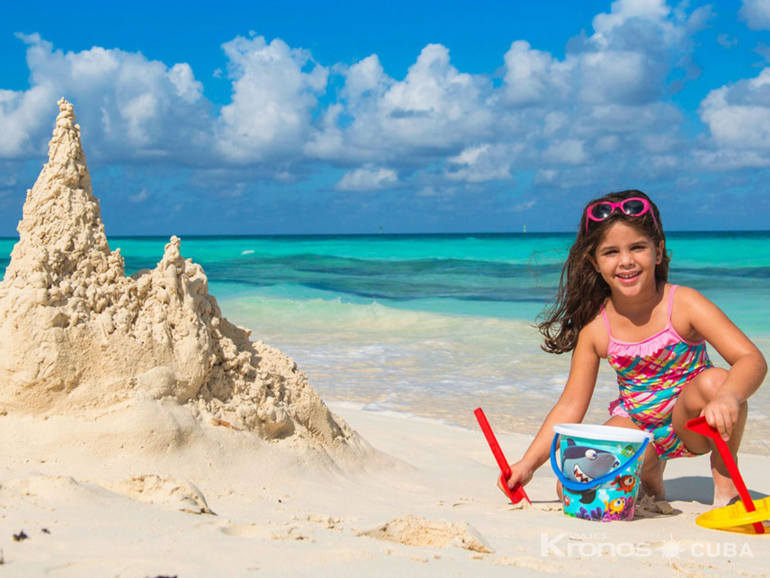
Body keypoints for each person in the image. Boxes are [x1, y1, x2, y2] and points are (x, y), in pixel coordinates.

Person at [499, 190, 767, 507]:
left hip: (694, 423)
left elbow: (751, 359)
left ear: (658, 251)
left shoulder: (684, 303)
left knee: (718, 381)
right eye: (611, 252)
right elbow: (570, 406)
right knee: (572, 485)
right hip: (637, 428)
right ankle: (650, 474)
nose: (626, 260)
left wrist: (727, 397)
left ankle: (726, 483)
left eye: (637, 247)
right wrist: (527, 465)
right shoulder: (596, 329)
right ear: (594, 263)